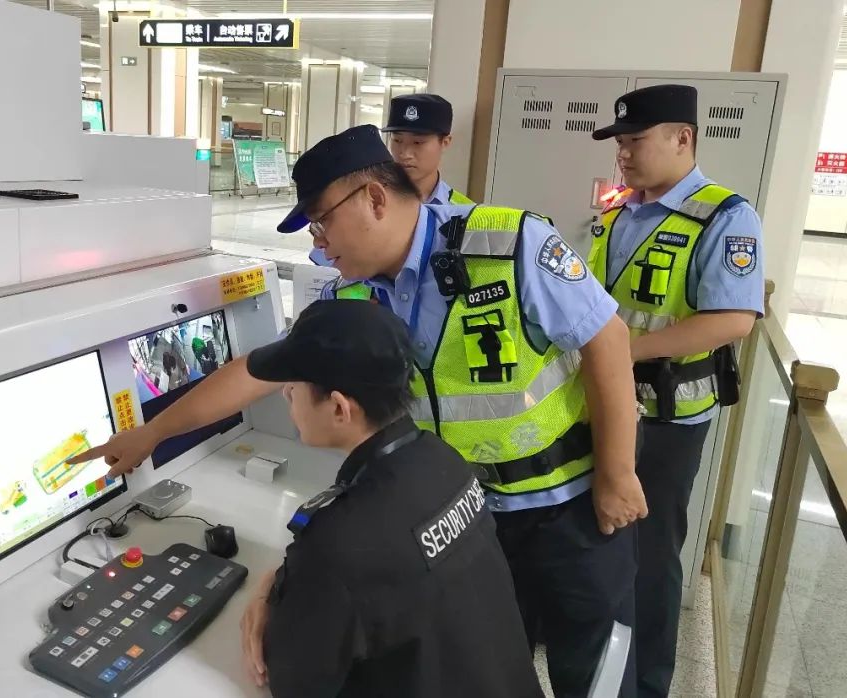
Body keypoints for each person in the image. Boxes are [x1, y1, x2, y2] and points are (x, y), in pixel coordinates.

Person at [70, 125, 648, 696]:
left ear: (373, 198)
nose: (319, 245)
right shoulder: (350, 294)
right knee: (493, 654)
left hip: (565, 505)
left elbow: (607, 338)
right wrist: (153, 433)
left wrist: (618, 473)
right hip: (462, 512)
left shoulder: (508, 244)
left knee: (587, 659)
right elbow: (259, 370)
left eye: (322, 223)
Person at [236, 299, 543, 698]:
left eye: (293, 386)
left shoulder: (337, 544)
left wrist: (269, 595)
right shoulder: (443, 460)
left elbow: (293, 680)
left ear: (339, 408)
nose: (285, 395)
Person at [589, 84, 764, 698]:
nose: (624, 154)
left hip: (666, 417)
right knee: (601, 542)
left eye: (635, 141)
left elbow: (734, 319)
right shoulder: (618, 212)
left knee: (649, 556)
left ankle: (646, 685)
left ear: (682, 138)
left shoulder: (725, 216)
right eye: (620, 143)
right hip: (603, 404)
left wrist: (623, 352)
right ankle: (599, 668)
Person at [308, 93, 471, 291]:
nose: (404, 153)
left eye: (418, 143)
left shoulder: (464, 216)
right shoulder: (362, 206)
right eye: (397, 140)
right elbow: (328, 278)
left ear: (445, 142)